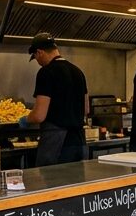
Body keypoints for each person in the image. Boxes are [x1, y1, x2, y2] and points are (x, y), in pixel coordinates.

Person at [22, 33, 89, 166]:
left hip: (56, 143)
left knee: (52, 183)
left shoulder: (46, 73)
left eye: (35, 57)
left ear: (39, 52)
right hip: (79, 141)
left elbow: (39, 115)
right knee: (76, 184)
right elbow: (86, 109)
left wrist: (25, 120)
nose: (38, 62)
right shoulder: (78, 71)